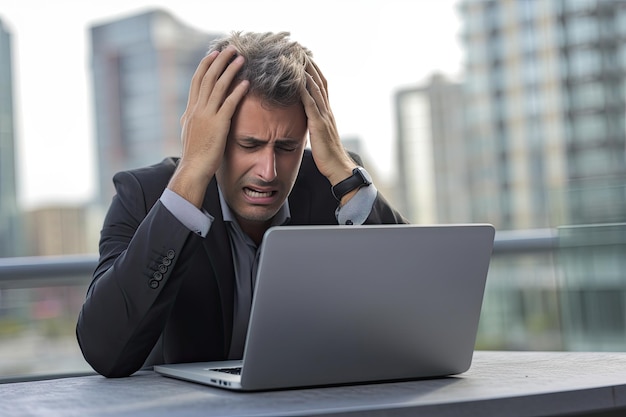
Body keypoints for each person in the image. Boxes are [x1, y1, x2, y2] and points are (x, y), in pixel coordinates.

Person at [76, 31, 407, 378]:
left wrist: (345, 172)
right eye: (248, 145)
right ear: (210, 135)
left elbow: (417, 314)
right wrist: (190, 174)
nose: (268, 172)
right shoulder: (146, 195)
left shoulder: (335, 188)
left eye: (287, 147)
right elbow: (104, 351)